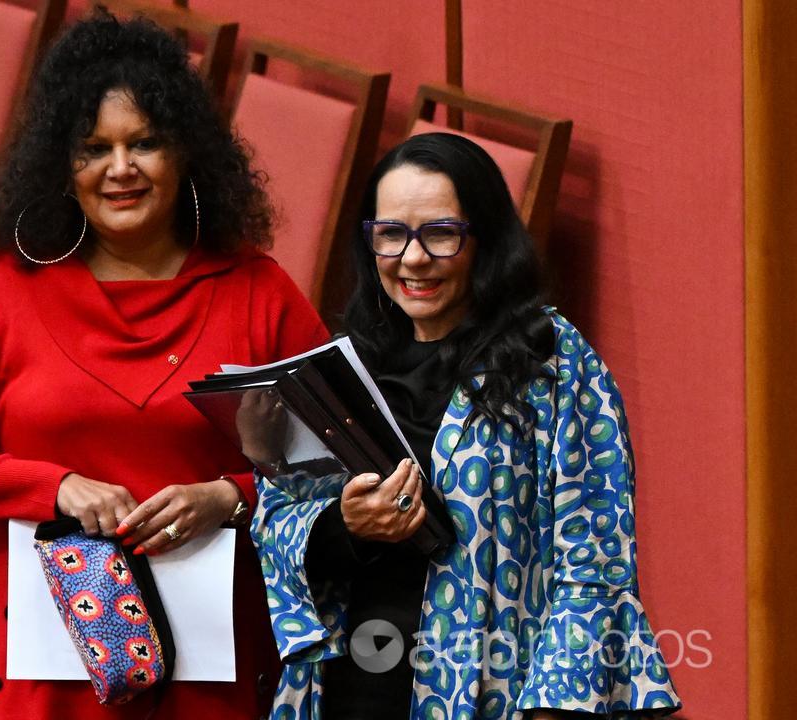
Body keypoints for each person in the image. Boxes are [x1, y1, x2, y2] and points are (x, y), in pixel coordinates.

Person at [0, 12, 327, 720]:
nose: (119, 169)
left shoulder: (257, 291)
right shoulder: (2, 293)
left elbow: (333, 463)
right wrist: (56, 487)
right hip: (43, 670)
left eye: (144, 144)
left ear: (186, 154)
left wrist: (229, 496)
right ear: (61, 166)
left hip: (212, 666)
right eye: (93, 148)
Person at [250, 133, 682, 719]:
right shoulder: (345, 366)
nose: (413, 258)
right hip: (351, 689)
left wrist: (554, 709)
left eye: (441, 233)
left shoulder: (551, 361)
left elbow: (595, 565)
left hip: (500, 694)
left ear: (486, 240)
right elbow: (277, 524)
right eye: (391, 234)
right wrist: (344, 525)